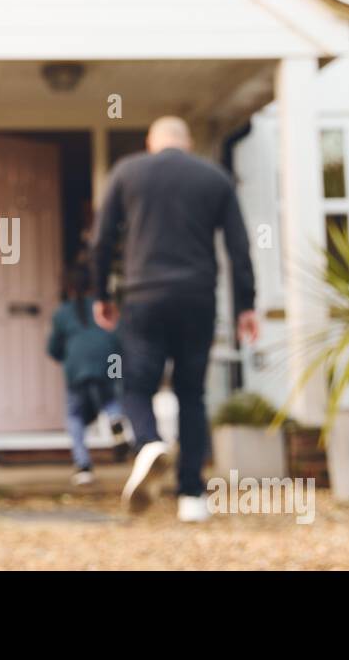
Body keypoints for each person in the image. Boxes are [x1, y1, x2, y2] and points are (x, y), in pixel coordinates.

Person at [90, 116, 259, 522]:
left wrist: (101, 294)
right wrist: (246, 305)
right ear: (188, 142)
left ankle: (149, 443)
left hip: (144, 296)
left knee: (136, 387)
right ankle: (191, 496)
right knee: (191, 394)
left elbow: (101, 239)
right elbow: (239, 246)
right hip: (197, 298)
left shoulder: (128, 172)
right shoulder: (214, 178)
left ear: (152, 142)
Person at [46, 263, 130, 486]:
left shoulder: (63, 313)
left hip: (77, 369)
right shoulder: (105, 308)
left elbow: (53, 348)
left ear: (68, 288)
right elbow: (118, 339)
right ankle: (115, 419)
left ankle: (83, 466)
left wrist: (65, 357)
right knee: (110, 399)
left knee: (75, 415)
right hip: (107, 363)